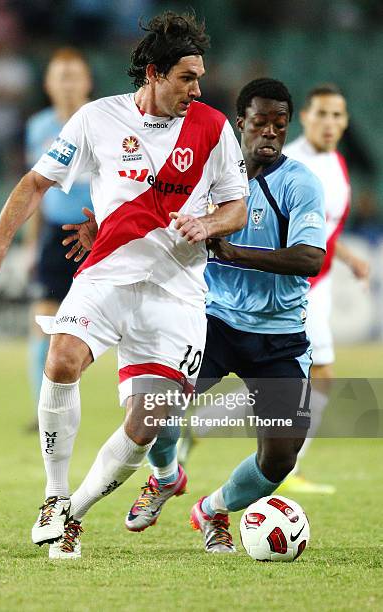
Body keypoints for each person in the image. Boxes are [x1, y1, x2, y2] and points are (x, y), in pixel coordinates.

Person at [0, 11, 249, 559]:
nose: (197, 89)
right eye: (186, 77)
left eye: (200, 77)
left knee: (148, 421)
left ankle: (75, 514)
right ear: (153, 74)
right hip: (105, 274)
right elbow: (36, 182)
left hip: (177, 292)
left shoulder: (212, 126)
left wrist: (209, 223)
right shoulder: (96, 119)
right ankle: (53, 499)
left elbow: (236, 206)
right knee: (60, 359)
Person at [123, 78, 326, 552]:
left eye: (280, 124)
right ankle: (164, 477)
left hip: (279, 337)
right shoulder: (206, 176)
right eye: (260, 123)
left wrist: (233, 253)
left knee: (279, 460)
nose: (270, 133)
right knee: (152, 410)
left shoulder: (300, 183)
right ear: (241, 124)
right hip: (211, 322)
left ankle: (212, 510)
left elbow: (309, 258)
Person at [281, 84, 369, 494]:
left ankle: (201, 424)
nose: (330, 123)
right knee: (320, 375)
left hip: (322, 282)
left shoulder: (337, 163)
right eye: (322, 114)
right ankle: (285, 466)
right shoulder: (290, 164)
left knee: (302, 377)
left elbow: (325, 229)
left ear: (346, 121)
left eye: (338, 116)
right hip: (296, 287)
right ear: (305, 117)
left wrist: (348, 256)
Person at [25, 47, 94, 429]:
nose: (67, 83)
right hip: (55, 234)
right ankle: (45, 409)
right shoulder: (38, 127)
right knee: (44, 321)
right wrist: (31, 244)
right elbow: (33, 188)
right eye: (59, 75)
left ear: (86, 81)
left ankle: (149, 405)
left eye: (73, 75)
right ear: (48, 83)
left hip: (98, 233)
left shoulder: (102, 120)